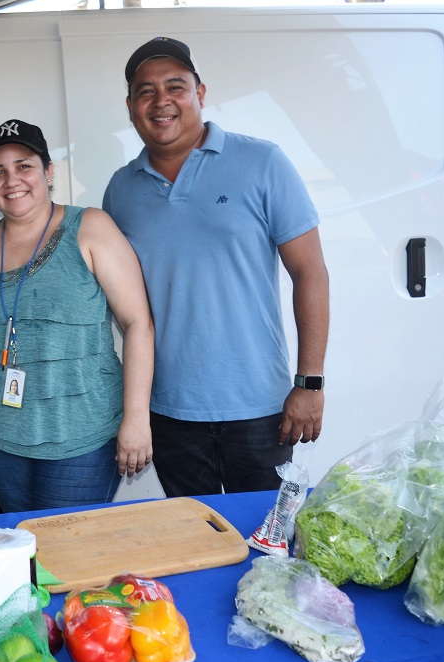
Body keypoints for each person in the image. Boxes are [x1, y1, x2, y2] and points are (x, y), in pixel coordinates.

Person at [103, 37, 330, 496]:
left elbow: (310, 273)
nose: (161, 100)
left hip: (260, 409)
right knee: (201, 544)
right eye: (146, 91)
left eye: (175, 86)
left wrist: (309, 384)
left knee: (269, 548)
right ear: (130, 106)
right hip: (168, 412)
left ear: (200, 93)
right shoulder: (120, 191)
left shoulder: (262, 162)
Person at [0, 119, 155, 513]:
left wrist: (136, 419)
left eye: (24, 165)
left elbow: (138, 325)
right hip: (0, 438)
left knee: (68, 559)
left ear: (49, 172)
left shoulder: (90, 227)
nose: (12, 180)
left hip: (80, 437)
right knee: (25, 552)